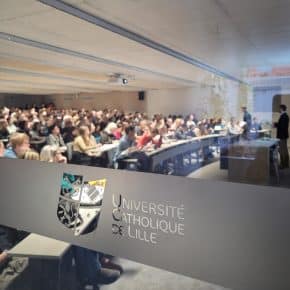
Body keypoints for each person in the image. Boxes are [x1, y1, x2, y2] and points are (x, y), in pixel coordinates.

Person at [274, 104, 289, 169]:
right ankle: (285, 163)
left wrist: (276, 125)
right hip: (283, 136)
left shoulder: (284, 116)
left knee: (282, 150)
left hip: (282, 136)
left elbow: (282, 127)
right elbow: (282, 125)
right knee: (284, 150)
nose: (279, 110)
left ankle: (283, 164)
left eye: (279, 108)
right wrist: (277, 124)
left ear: (282, 109)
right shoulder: (285, 116)